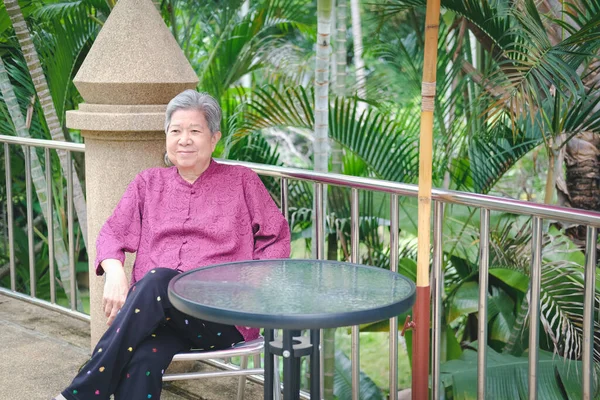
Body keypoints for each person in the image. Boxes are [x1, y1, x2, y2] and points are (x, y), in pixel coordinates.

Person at [54, 90, 290, 400]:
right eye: (175, 131)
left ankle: (81, 393)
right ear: (166, 137)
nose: (184, 139)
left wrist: (246, 288)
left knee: (158, 279)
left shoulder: (241, 181)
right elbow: (112, 232)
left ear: (214, 138)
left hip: (219, 316)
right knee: (142, 362)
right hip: (160, 317)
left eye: (195, 131)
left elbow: (277, 237)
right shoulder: (148, 183)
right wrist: (113, 271)